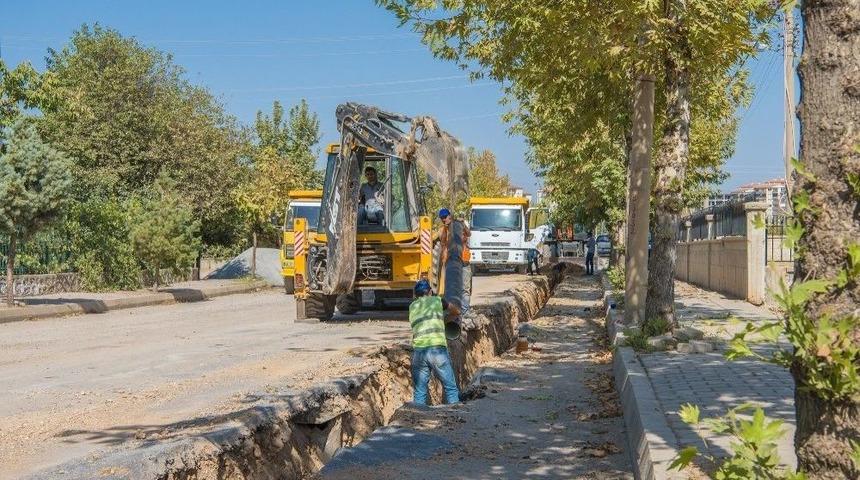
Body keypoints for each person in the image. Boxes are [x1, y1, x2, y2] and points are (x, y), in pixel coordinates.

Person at [409, 279, 461, 405]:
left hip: (419, 352)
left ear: (415, 295)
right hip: (437, 350)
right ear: (430, 292)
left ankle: (417, 419)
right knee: (450, 388)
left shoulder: (412, 306)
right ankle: (455, 417)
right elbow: (456, 311)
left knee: (420, 391)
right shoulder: (438, 301)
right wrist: (444, 319)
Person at [438, 208, 472, 319]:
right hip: (452, 262)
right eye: (442, 218)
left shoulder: (459, 225)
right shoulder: (444, 230)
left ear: (449, 216)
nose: (444, 220)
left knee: (465, 288)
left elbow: (468, 233)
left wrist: (462, 224)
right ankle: (453, 310)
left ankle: (465, 311)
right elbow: (443, 244)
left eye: (445, 217)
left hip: (464, 261)